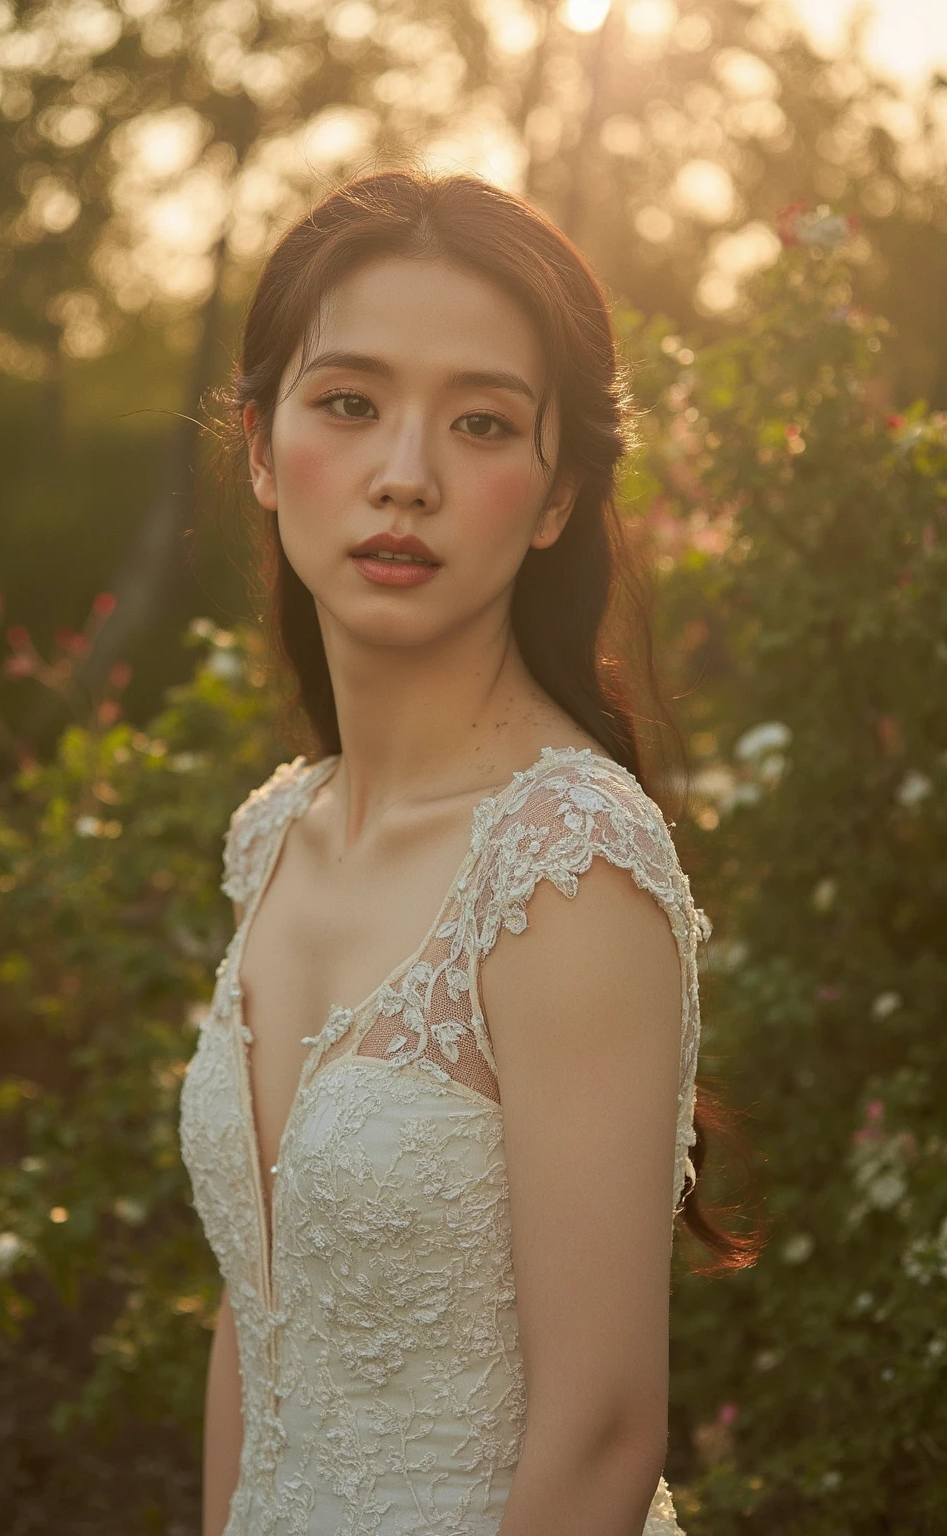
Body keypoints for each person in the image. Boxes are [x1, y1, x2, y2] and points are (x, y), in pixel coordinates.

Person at [179, 167, 748, 1536]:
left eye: (482, 422)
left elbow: (603, 1438)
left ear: (555, 497)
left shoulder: (567, 863)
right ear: (261, 448)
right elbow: (260, 1323)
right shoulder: (276, 836)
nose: (405, 475)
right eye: (350, 403)